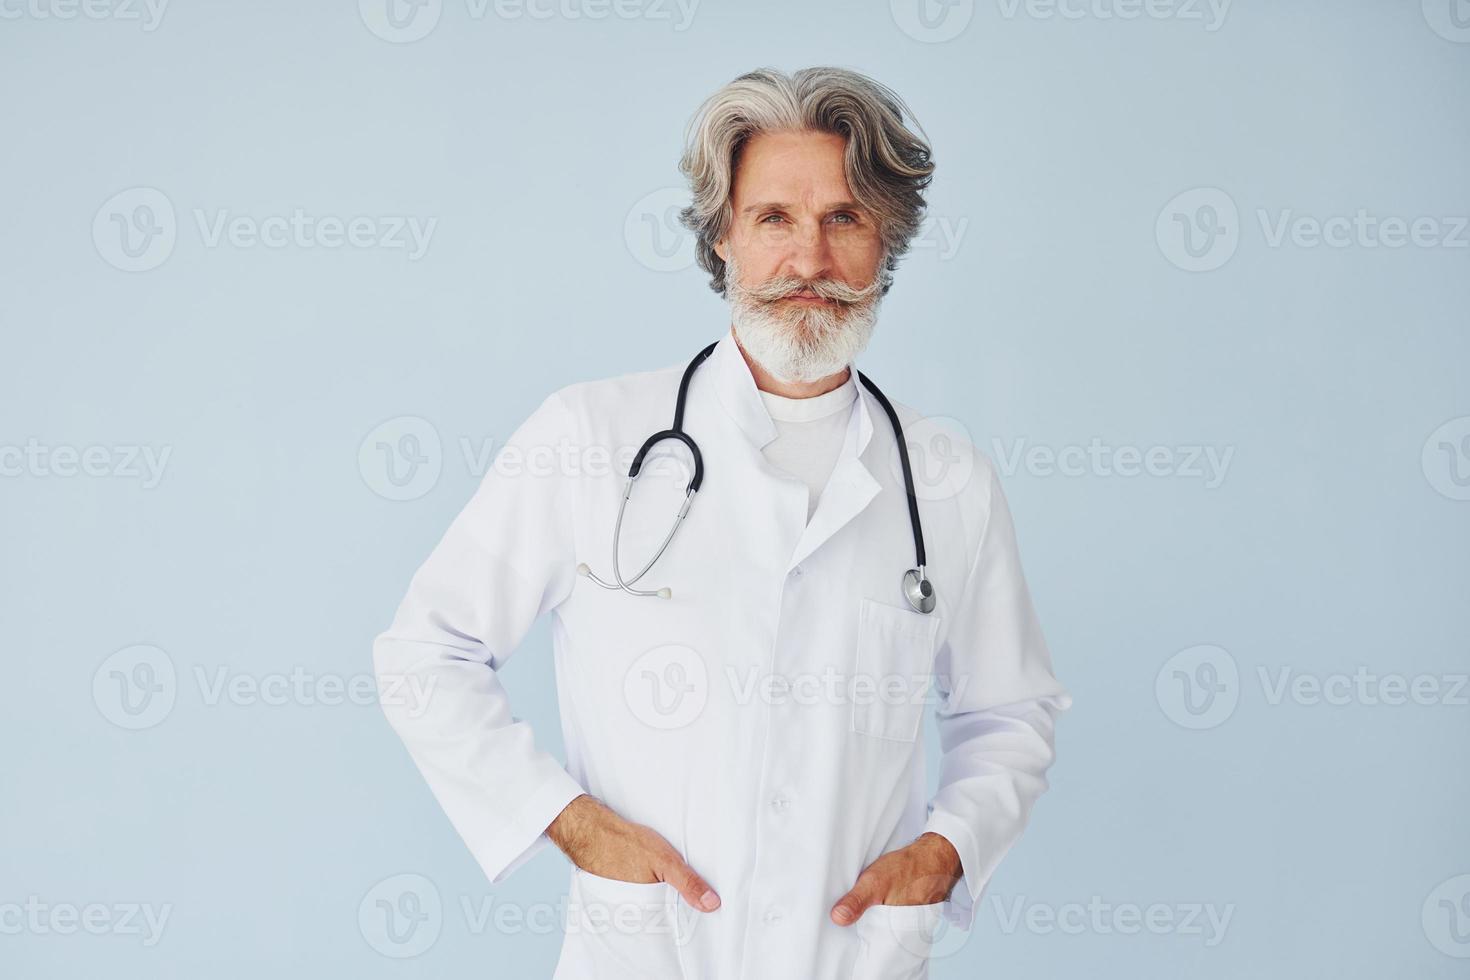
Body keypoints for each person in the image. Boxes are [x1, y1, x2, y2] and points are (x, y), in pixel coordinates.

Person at [373, 65, 1072, 980]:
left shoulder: (945, 483)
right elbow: (426, 651)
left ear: (886, 241)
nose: (810, 261)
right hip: (646, 951)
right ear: (724, 237)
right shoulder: (591, 437)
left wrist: (945, 853)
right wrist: (571, 823)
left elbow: (1011, 711)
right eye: (775, 218)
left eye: (845, 219)